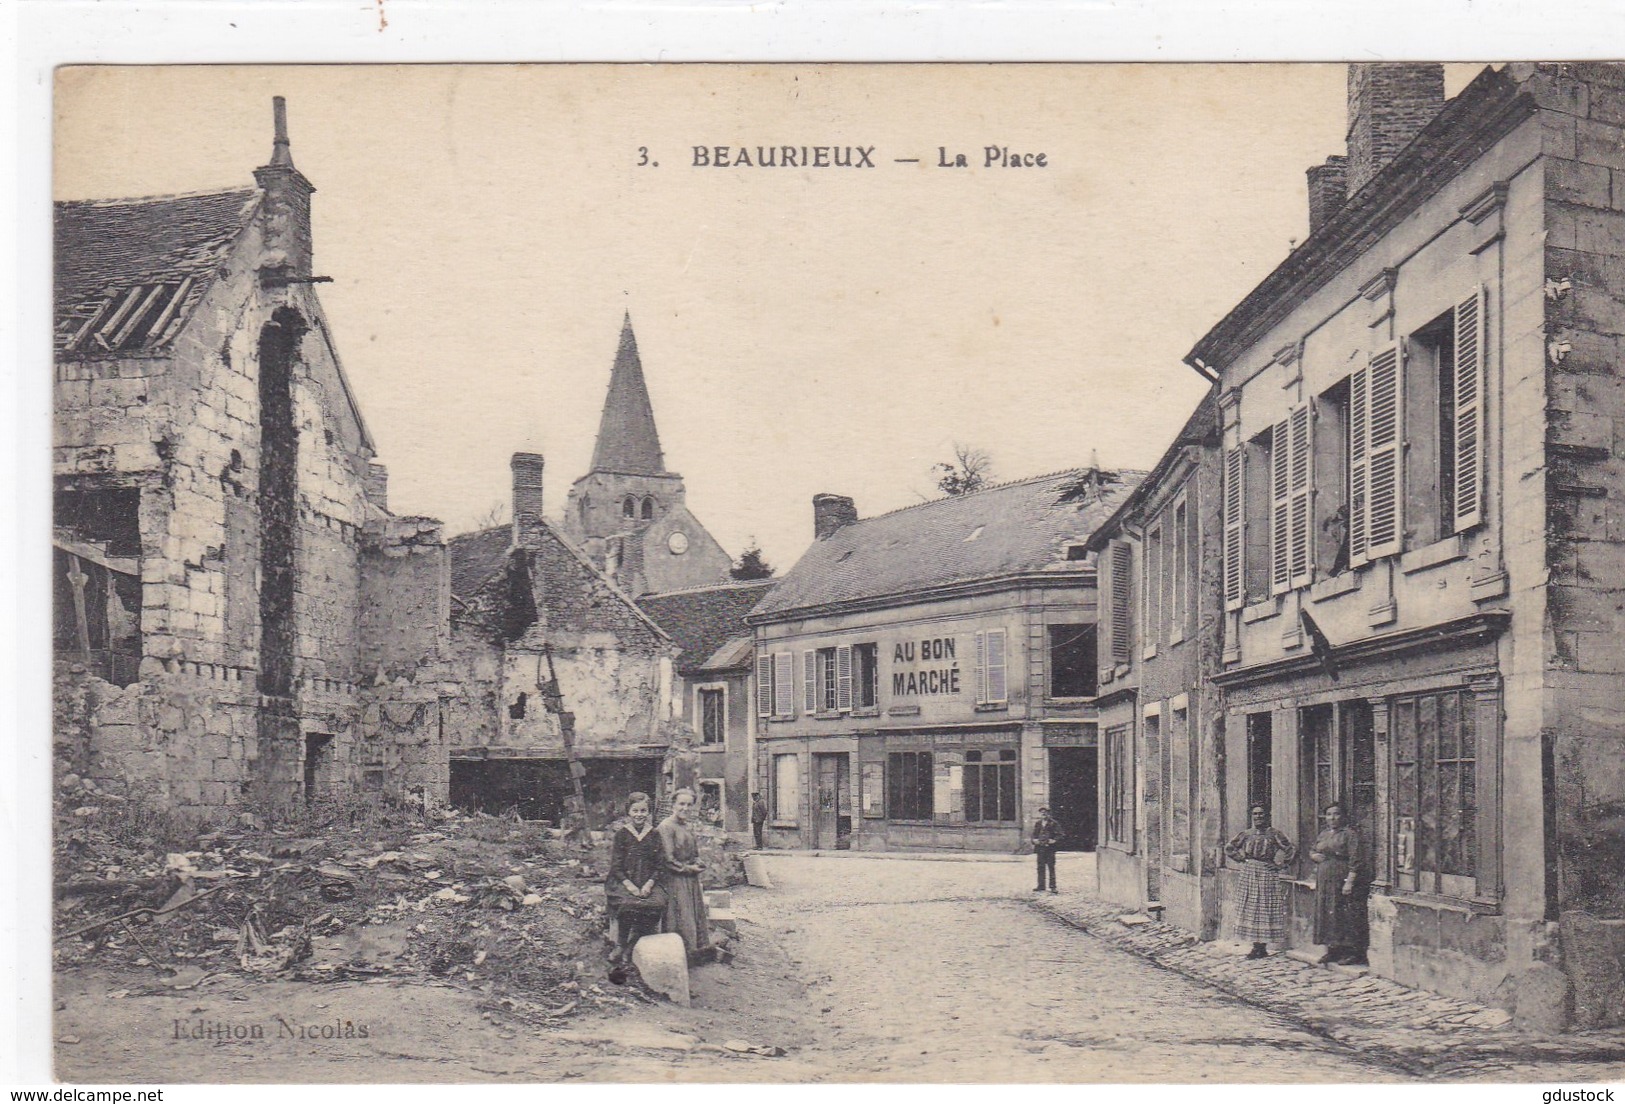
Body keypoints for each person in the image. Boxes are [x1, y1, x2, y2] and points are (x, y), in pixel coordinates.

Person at [604, 792, 667, 982]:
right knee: (627, 903)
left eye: (643, 811)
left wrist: (649, 884)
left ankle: (635, 943)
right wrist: (629, 885)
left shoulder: (654, 834)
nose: (639, 814)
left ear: (648, 812)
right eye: (635, 810)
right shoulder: (622, 835)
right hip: (624, 881)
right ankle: (621, 944)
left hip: (649, 882)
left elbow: (660, 865)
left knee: (656, 904)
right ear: (628, 812)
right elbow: (616, 865)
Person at [1224, 805, 1296, 959]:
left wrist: (1280, 865)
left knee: (1264, 907)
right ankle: (1255, 947)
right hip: (1249, 872)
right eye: (1255, 814)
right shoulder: (1246, 834)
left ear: (1268, 815)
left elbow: (1290, 849)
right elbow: (1229, 847)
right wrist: (1242, 858)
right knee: (1251, 908)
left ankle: (1262, 946)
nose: (1258, 817)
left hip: (1266, 873)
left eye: (1261, 814)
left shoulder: (1274, 834)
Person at [657, 787, 714, 964]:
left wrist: (698, 861)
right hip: (675, 879)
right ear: (673, 805)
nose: (685, 808)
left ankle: (694, 953)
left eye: (689, 805)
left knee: (693, 915)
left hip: (690, 879)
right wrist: (690, 869)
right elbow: (668, 859)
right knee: (680, 916)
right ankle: (679, 955)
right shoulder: (666, 827)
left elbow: (694, 852)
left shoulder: (687, 826)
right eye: (681, 804)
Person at [1309, 802, 1369, 966]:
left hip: (1341, 876)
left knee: (1344, 913)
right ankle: (1332, 950)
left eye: (1336, 814)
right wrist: (1314, 856)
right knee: (1327, 912)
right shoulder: (1323, 834)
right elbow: (1313, 849)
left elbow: (1356, 860)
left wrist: (1349, 881)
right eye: (1329, 814)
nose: (1332, 818)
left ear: (1343, 816)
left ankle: (1351, 952)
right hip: (1324, 879)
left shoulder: (1349, 835)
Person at [1031, 806, 1060, 893]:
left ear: (1049, 814)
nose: (1044, 814)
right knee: (1040, 867)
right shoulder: (1038, 823)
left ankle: (1053, 886)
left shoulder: (1054, 823)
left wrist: (1054, 840)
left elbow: (1060, 834)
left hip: (1050, 849)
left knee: (1051, 867)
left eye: (1045, 813)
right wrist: (1034, 840)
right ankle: (1041, 886)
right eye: (1042, 813)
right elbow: (1034, 834)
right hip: (1040, 848)